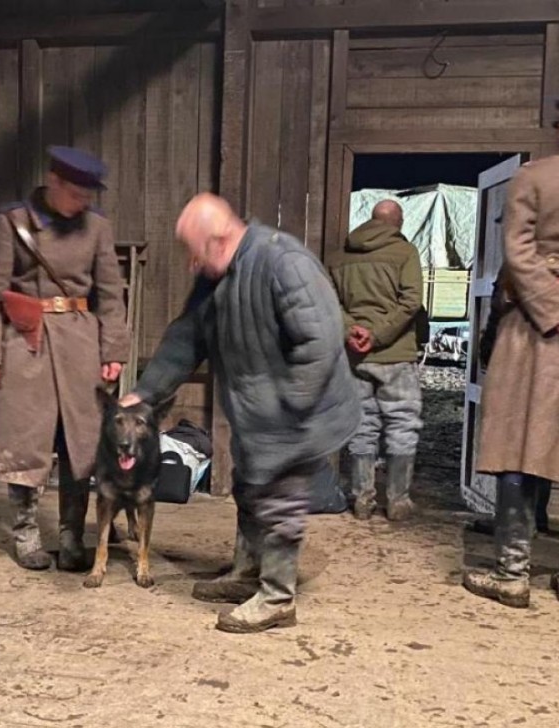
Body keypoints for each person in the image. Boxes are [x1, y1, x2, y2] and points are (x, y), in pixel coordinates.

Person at [123, 193, 359, 633]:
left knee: (279, 499)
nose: (190, 264)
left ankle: (277, 599)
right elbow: (186, 338)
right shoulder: (216, 277)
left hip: (300, 412)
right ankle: (248, 574)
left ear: (218, 240)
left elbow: (320, 342)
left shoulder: (283, 262)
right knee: (249, 487)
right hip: (261, 414)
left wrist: (288, 409)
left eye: (194, 252)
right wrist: (144, 395)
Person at [0, 146, 129, 571]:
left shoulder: (97, 228)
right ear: (54, 182)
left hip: (80, 345)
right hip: (27, 344)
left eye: (88, 196)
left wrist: (113, 350)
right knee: (26, 442)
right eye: (76, 194)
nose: (82, 203)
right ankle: (26, 534)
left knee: (80, 444)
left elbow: (111, 295)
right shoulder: (13, 223)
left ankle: (72, 537)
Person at [462, 145, 559, 608]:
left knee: (520, 443)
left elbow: (519, 254)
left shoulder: (535, 177)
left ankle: (512, 573)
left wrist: (551, 311)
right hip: (540, 324)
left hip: (537, 331)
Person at [328, 200, 424, 521]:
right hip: (396, 354)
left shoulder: (339, 257)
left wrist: (351, 331)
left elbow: (330, 304)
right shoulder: (405, 252)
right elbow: (411, 301)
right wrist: (379, 334)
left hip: (355, 356)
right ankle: (398, 501)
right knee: (402, 425)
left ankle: (362, 499)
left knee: (362, 425)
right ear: (398, 222)